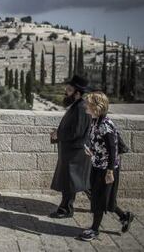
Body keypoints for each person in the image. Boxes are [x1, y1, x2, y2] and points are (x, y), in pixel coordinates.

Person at [79, 91, 134, 241]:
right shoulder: (95, 120)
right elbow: (99, 144)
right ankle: (125, 216)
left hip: (106, 169)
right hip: (98, 165)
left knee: (98, 199)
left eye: (88, 104)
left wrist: (110, 171)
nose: (85, 106)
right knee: (103, 197)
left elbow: (113, 150)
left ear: (96, 107)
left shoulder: (106, 125)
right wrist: (92, 151)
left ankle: (94, 230)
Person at [49, 75, 91, 218]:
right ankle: (101, 204)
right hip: (73, 151)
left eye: (69, 89)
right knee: (80, 182)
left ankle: (65, 209)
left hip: (75, 152)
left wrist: (58, 135)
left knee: (70, 181)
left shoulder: (81, 107)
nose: (66, 91)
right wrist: (59, 133)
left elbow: (76, 132)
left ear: (77, 93)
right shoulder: (78, 105)